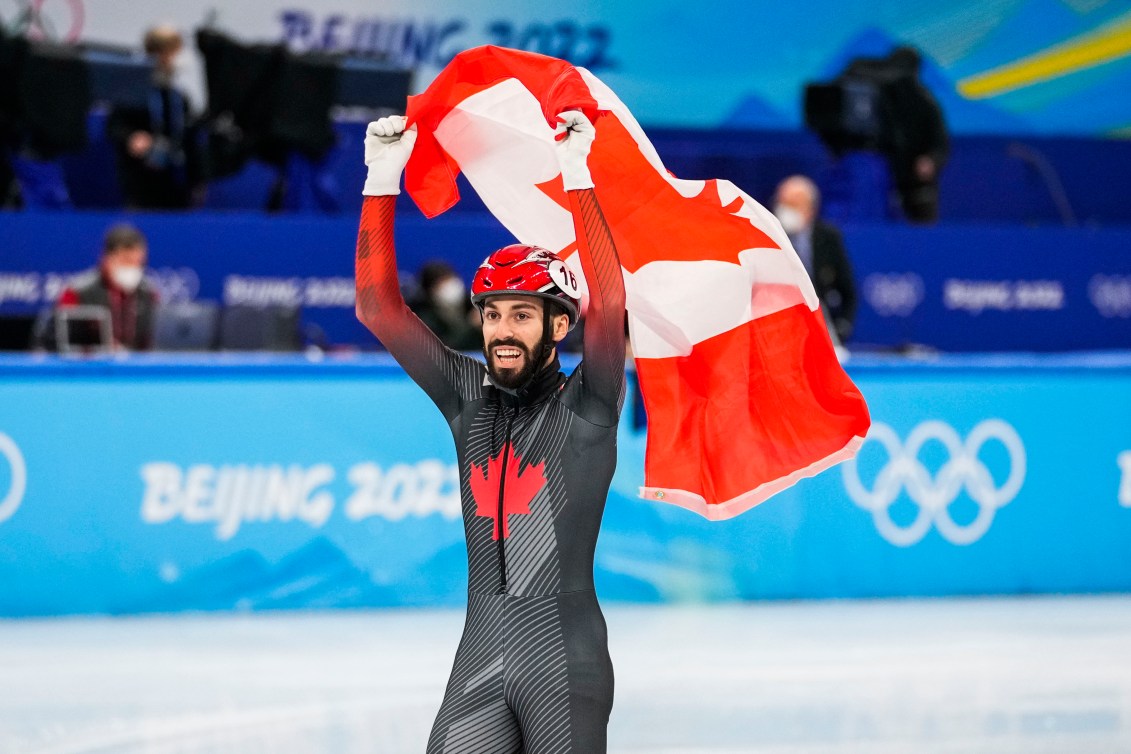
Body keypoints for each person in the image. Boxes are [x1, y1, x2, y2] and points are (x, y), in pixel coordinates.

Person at [355, 111, 625, 752]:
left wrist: (578, 171)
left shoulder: (589, 404)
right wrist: (382, 177)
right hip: (479, 649)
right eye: (493, 313)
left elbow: (610, 305)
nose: (503, 329)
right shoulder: (466, 398)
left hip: (563, 657)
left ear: (559, 327)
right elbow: (376, 307)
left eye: (523, 315)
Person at [107, 25, 199, 209]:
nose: (173, 59)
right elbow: (114, 127)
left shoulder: (179, 97)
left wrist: (198, 177)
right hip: (141, 181)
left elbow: (190, 136)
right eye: (170, 52)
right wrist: (132, 138)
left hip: (177, 182)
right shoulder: (132, 93)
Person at [774, 175, 857, 344]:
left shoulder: (828, 237)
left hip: (820, 323)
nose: (785, 210)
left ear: (810, 209)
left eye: (792, 205)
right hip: (779, 325)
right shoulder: (769, 236)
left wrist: (842, 327)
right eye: (782, 203)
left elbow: (847, 290)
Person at [53, 223, 158, 351]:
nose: (133, 268)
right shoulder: (77, 293)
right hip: (91, 367)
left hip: (134, 368)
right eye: (126, 261)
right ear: (107, 258)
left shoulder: (148, 294)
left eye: (138, 262)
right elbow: (61, 341)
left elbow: (154, 342)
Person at [883, 46, 949, 224]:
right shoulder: (880, 100)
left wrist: (931, 160)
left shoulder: (925, 103)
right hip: (884, 180)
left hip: (918, 186)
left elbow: (940, 143)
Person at [409, 260, 483, 351]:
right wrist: (471, 326)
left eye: (450, 279)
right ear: (430, 290)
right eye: (441, 283)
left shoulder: (473, 303)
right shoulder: (424, 318)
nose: (450, 286)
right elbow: (443, 350)